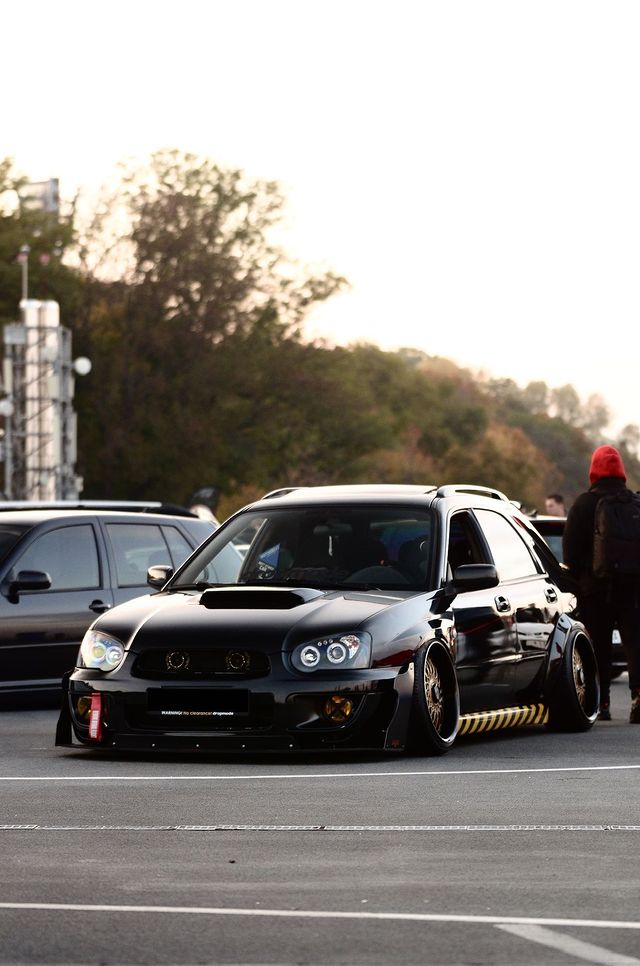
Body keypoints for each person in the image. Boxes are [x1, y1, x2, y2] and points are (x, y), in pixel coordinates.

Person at [563, 445, 640, 723]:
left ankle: (601, 701)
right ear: (621, 471)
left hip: (594, 588)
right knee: (635, 642)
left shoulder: (584, 504)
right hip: (631, 587)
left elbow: (570, 554)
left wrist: (579, 581)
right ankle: (638, 698)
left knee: (598, 645)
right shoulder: (634, 503)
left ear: (594, 470)